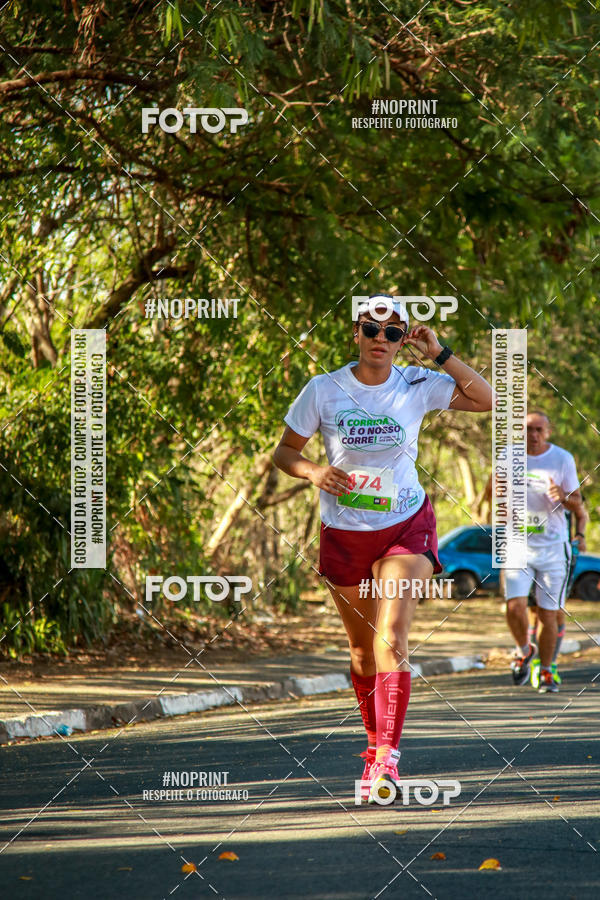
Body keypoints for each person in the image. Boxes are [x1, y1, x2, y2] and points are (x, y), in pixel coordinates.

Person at [273, 295, 492, 803]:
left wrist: (440, 354)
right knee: (361, 648)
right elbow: (286, 452)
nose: (381, 339)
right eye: (372, 329)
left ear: (402, 341)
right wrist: (314, 471)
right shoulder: (323, 390)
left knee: (391, 636)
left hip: (405, 524)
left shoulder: (418, 384)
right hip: (345, 531)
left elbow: (487, 399)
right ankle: (373, 746)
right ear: (356, 333)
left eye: (393, 333)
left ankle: (388, 760)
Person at [504, 411, 585, 693]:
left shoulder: (562, 458)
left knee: (548, 614)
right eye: (527, 430)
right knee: (514, 606)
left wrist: (561, 497)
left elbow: (578, 503)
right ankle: (524, 648)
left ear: (548, 431)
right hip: (517, 543)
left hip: (553, 547)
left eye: (539, 429)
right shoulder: (507, 456)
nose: (533, 435)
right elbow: (494, 495)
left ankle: (547, 670)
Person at [529, 504, 589, 688]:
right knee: (533, 610)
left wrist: (580, 535)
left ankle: (550, 663)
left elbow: (582, 513)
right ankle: (536, 661)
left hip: (560, 554)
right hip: (531, 551)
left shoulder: (566, 485)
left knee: (555, 610)